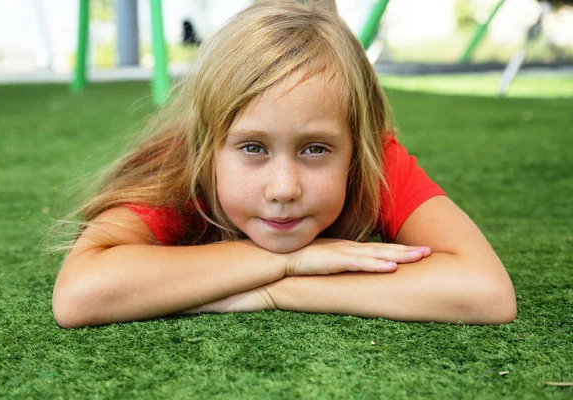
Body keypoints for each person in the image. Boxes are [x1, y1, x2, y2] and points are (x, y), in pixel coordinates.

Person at [52, 0, 517, 328]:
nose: (283, 189)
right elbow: (80, 293)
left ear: (356, 147)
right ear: (207, 145)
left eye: (315, 149)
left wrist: (280, 287)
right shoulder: (180, 166)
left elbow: (484, 290)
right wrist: (292, 261)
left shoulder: (374, 162)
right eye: (253, 148)